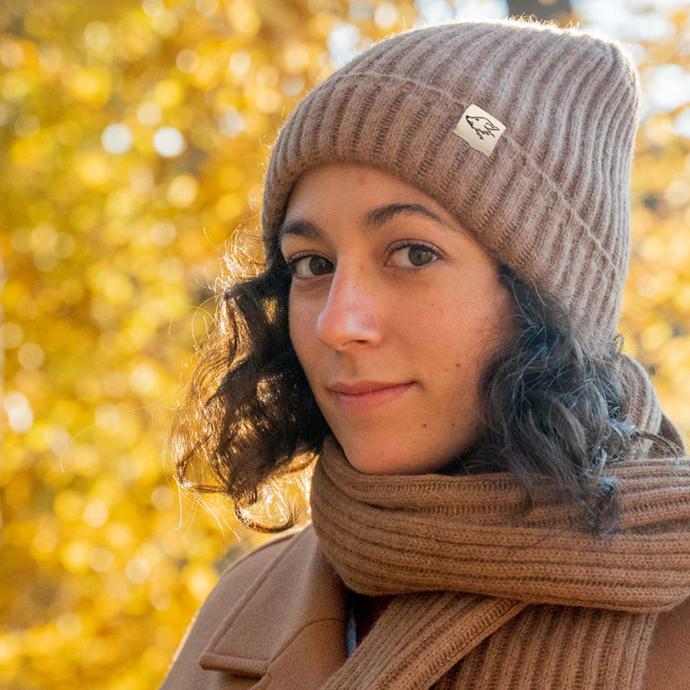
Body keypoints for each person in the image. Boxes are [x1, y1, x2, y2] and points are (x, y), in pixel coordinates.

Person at [160, 16, 690, 690]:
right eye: (311, 263)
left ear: (549, 300)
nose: (337, 322)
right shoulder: (241, 607)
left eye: (413, 253)